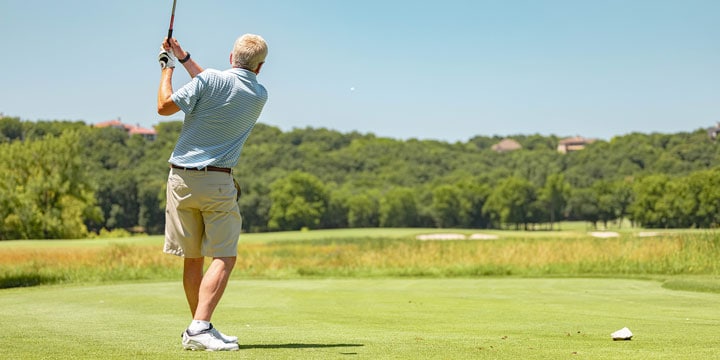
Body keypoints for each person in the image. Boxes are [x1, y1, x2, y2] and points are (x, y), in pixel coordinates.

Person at [156, 34, 268, 351]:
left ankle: (198, 327)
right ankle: (200, 328)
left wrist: (167, 68)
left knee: (193, 259)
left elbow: (164, 106)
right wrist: (184, 56)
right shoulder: (259, 93)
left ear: (231, 57)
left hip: (179, 180)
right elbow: (214, 83)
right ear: (260, 67)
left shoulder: (210, 80)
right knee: (224, 256)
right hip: (217, 183)